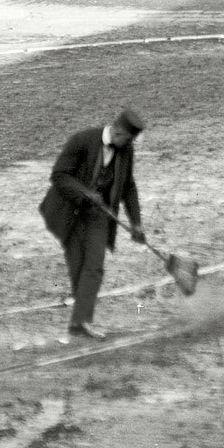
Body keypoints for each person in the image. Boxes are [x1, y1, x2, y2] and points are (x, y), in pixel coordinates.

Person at [40, 108, 146, 340]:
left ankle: (81, 321)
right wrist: (86, 194)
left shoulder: (126, 149)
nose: (128, 144)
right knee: (79, 267)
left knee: (94, 266)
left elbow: (128, 186)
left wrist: (136, 223)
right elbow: (59, 175)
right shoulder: (81, 140)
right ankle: (80, 321)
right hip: (68, 211)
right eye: (127, 139)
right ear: (117, 131)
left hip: (99, 216)